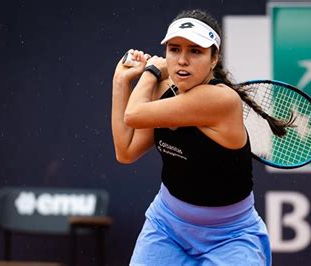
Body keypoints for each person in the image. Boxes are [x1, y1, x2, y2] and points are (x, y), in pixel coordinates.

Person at [112, 9, 292, 266]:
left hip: (230, 237)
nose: (182, 60)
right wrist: (120, 82)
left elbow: (133, 114)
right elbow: (126, 151)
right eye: (174, 49)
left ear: (213, 58)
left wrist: (150, 72)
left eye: (195, 51)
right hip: (166, 227)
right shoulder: (163, 89)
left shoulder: (220, 99)